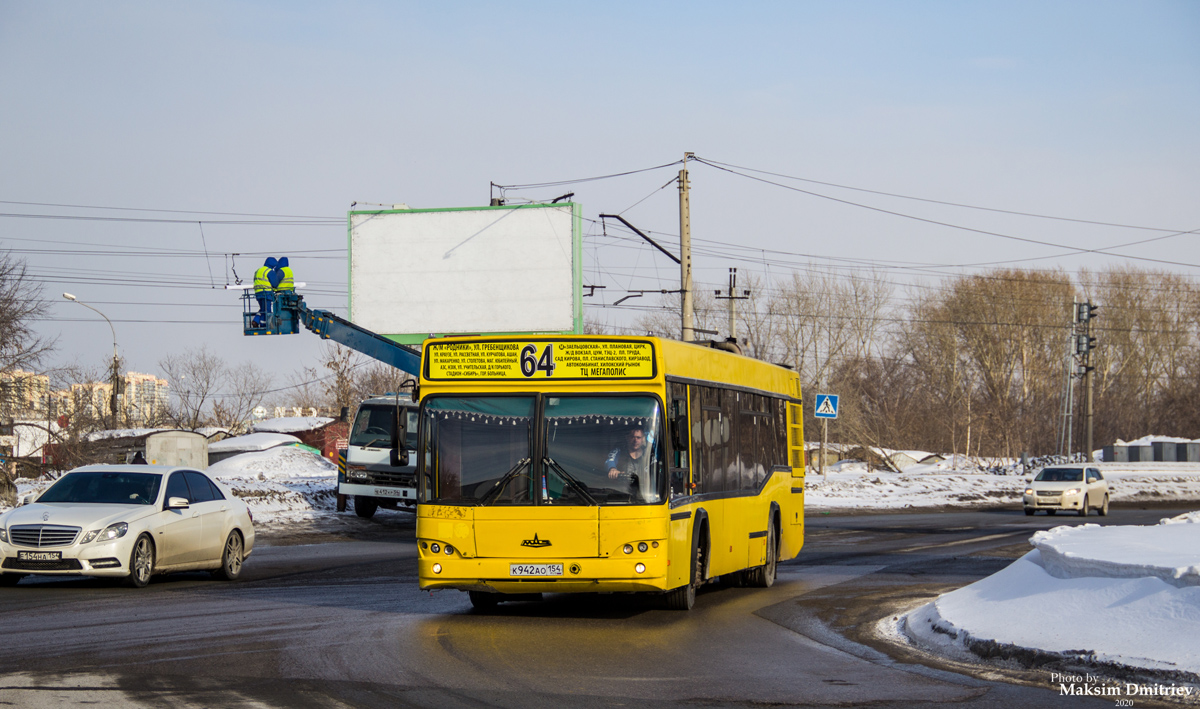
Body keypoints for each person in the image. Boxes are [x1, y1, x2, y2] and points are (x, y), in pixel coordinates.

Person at [252, 257, 277, 326]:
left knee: (263, 309)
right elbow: (275, 284)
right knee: (267, 310)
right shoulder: (269, 271)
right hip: (266, 293)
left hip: (258, 293)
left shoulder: (258, 270)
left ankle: (256, 320)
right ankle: (264, 324)